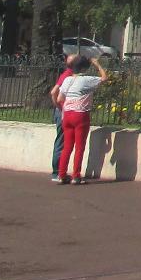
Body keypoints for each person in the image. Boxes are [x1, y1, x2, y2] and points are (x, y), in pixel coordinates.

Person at [52, 54, 106, 185]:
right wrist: (97, 64)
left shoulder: (68, 80)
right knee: (79, 147)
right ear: (84, 68)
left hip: (67, 114)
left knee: (67, 146)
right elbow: (104, 78)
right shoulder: (87, 80)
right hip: (80, 114)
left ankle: (61, 174)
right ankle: (76, 175)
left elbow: (59, 98)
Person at [49, 54, 75, 182]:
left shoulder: (67, 73)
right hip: (63, 111)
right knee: (61, 142)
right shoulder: (68, 75)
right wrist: (59, 107)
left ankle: (58, 171)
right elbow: (54, 92)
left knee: (61, 141)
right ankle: (56, 172)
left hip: (62, 110)